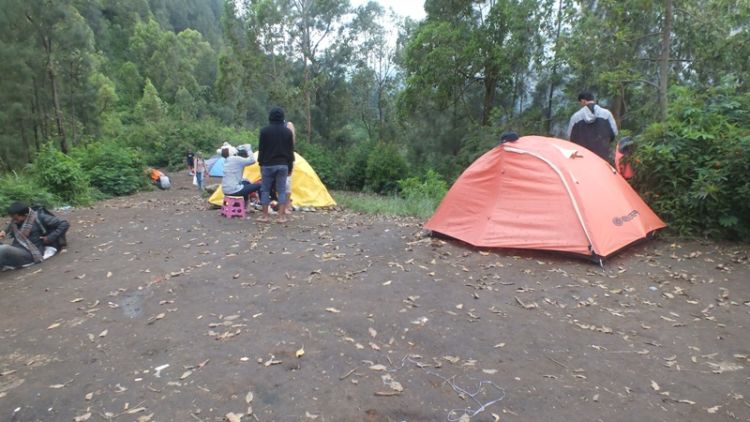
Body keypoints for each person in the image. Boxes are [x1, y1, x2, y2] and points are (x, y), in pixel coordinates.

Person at [0, 202, 69, 270]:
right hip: (17, 248)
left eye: (16, 218)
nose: (15, 221)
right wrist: (4, 232)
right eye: (13, 218)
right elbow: (11, 225)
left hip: (31, 253)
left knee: (3, 249)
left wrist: (50, 237)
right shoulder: (16, 221)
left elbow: (64, 224)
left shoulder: (39, 218)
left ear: (25, 215)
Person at [258, 107, 295, 223]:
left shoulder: (264, 131)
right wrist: (290, 167)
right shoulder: (288, 132)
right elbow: (290, 151)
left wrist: (260, 164)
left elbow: (261, 150)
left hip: (267, 165)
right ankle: (281, 217)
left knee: (265, 190)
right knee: (282, 190)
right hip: (283, 165)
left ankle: (265, 216)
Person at [567, 91, 618, 160]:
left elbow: (570, 137)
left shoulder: (575, 117)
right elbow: (614, 133)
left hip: (583, 157)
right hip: (602, 155)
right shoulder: (606, 114)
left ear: (583, 101)